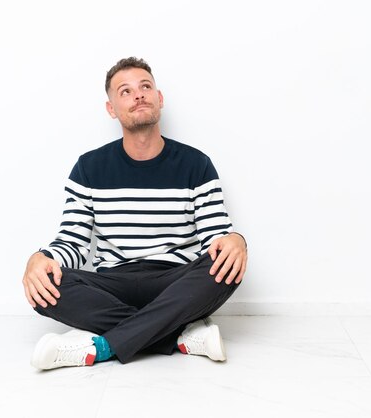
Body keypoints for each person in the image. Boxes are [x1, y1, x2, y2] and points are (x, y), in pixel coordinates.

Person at [22, 57, 247, 370]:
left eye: (145, 87)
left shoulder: (196, 164)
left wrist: (235, 240)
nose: (138, 94)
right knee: (44, 284)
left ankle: (102, 346)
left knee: (225, 266)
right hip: (114, 283)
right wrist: (40, 259)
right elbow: (71, 242)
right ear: (111, 109)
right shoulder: (89, 168)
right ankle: (179, 336)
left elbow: (216, 239)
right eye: (125, 91)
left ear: (159, 98)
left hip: (174, 282)